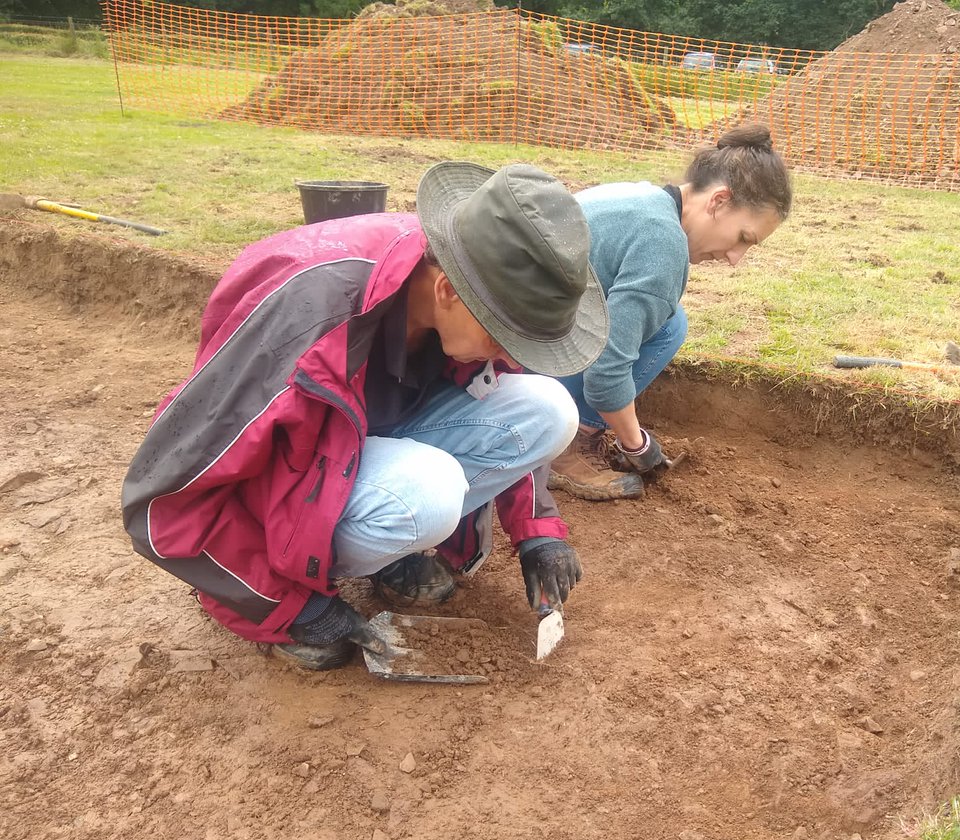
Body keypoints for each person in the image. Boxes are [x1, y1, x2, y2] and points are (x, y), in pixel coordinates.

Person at [122, 162, 608, 670]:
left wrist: (537, 531)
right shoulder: (303, 320)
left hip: (348, 454)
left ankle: (387, 550)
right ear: (447, 290)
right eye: (505, 338)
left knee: (549, 408)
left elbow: (507, 398)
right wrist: (292, 609)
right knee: (430, 492)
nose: (510, 356)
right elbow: (161, 501)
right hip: (272, 498)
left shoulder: (471, 280)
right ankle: (271, 588)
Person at [549, 124, 792, 500]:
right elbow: (606, 372)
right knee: (669, 327)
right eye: (743, 238)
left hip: (519, 331)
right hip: (510, 362)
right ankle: (563, 446)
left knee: (670, 322)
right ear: (718, 201)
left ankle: (566, 428)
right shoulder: (663, 242)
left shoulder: (646, 198)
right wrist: (638, 445)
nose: (735, 258)